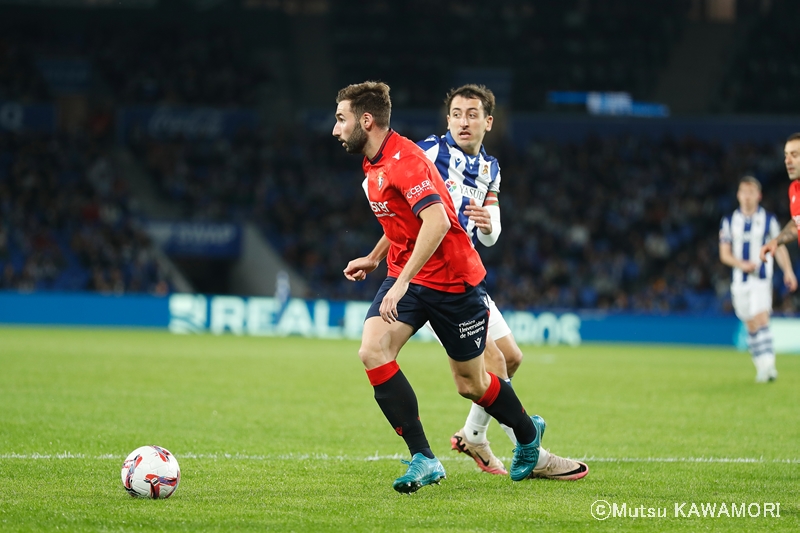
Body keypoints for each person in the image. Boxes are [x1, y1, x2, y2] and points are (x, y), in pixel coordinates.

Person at [334, 81, 547, 493]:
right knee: (373, 350)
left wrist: (489, 227)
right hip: (412, 271)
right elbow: (405, 217)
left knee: (482, 377)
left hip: (453, 277)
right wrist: (377, 259)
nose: (335, 129)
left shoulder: (437, 162)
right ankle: (426, 457)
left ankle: (518, 433)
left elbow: (446, 222)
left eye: (341, 119)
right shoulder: (400, 157)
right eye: (456, 114)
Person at [417, 84, 587, 480]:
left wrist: (486, 224)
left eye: (472, 114)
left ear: (488, 122)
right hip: (436, 282)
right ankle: (533, 452)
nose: (463, 121)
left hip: (468, 277)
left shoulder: (490, 168)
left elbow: (492, 234)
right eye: (456, 114)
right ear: (447, 120)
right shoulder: (429, 152)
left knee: (511, 358)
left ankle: (473, 435)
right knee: (492, 363)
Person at [721, 176, 797, 382]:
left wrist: (788, 271)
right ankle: (761, 366)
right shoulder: (729, 221)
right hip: (740, 281)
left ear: (759, 196)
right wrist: (741, 264)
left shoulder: (769, 220)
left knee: (761, 317)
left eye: (751, 192)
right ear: (738, 195)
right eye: (744, 192)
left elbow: (778, 246)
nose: (747, 196)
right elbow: (724, 254)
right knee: (751, 324)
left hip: (761, 278)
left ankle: (769, 367)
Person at [761, 132, 800, 258]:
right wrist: (776, 241)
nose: (787, 161)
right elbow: (797, 223)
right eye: (786, 155)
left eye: (794, 155)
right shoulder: (794, 189)